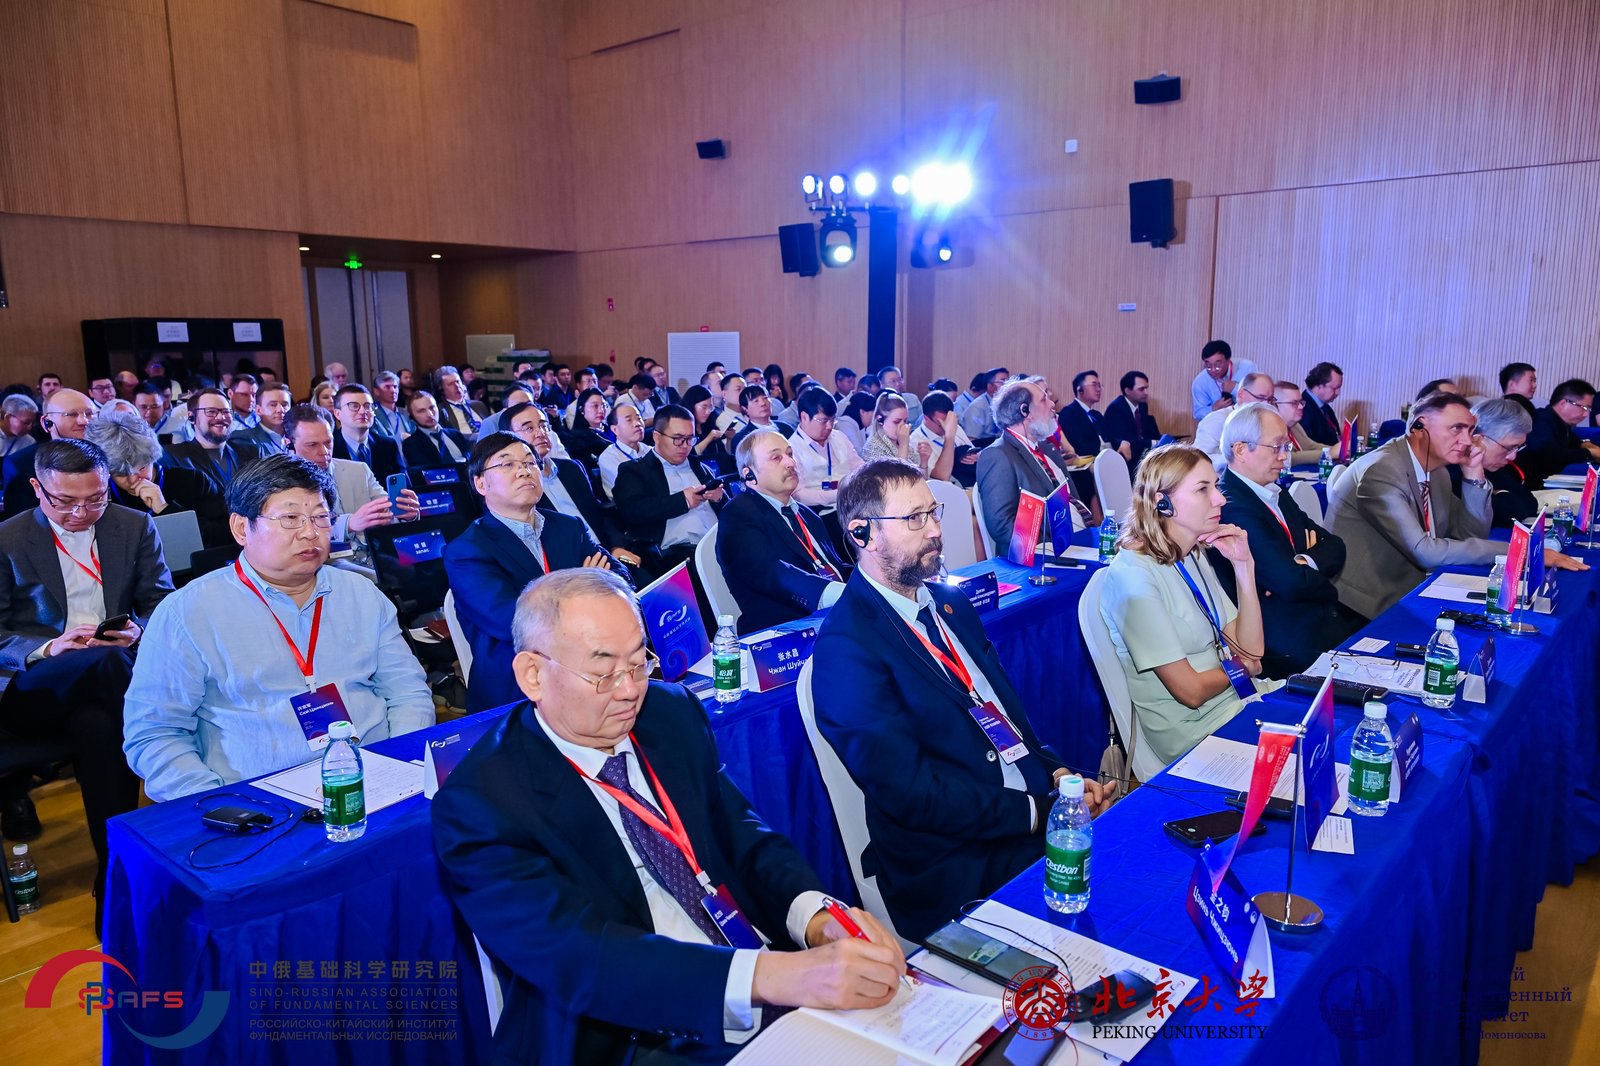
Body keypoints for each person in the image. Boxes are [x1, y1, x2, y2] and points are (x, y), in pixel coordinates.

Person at [433, 568, 905, 1062]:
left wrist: (817, 918)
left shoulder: (669, 713)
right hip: (631, 1036)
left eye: (639, 662)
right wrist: (774, 977)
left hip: (757, 977)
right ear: (533, 674)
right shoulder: (482, 802)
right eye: (603, 673)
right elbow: (579, 957)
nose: (629, 690)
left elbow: (743, 837)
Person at [810, 460, 1108, 939]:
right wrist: (1036, 812)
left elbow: (1004, 716)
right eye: (914, 518)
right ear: (863, 534)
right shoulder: (846, 648)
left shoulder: (950, 605)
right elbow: (911, 796)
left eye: (933, 513)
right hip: (954, 861)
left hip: (1021, 817)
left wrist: (1057, 777)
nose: (935, 530)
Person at [123, 454, 435, 800]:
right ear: (241, 528)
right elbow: (155, 733)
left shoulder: (361, 593)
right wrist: (220, 806)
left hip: (375, 783)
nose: (310, 532)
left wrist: (399, 767)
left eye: (321, 518)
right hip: (258, 804)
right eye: (290, 518)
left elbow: (407, 693)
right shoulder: (187, 613)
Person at [0, 439, 172, 879]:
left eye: (95, 498)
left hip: (106, 684)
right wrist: (48, 648)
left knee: (98, 724)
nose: (81, 512)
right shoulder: (8, 538)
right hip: (34, 683)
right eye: (65, 502)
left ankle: (114, 876)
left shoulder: (132, 525)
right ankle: (166, 757)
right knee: (110, 666)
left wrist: (139, 630)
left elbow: (161, 603)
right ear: (37, 488)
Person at [1325, 392, 1585, 619]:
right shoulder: (1381, 470)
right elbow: (1425, 551)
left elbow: (1470, 535)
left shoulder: (1436, 470)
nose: (1467, 440)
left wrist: (1474, 477)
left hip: (1411, 587)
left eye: (1470, 430)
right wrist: (1519, 551)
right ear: (1420, 426)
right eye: (1456, 429)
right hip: (1361, 607)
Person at [1099, 444, 1263, 768]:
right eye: (1203, 489)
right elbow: (1191, 691)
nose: (1219, 499)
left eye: (1216, 486)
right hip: (1196, 732)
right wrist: (1243, 668)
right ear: (1163, 503)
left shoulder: (1192, 553)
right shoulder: (1133, 577)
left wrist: (1244, 567)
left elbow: (1252, 650)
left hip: (1239, 700)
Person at [444, 434, 621, 713]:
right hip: (520, 689)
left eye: (530, 463)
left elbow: (620, 576)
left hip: (593, 668)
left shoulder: (569, 527)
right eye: (507, 464)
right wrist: (584, 586)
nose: (524, 470)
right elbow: (512, 621)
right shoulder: (467, 550)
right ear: (481, 484)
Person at [1212, 404, 1364, 678]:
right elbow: (1290, 582)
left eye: (1286, 447)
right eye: (1276, 447)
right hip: (1284, 641)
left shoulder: (1274, 492)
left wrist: (1303, 560)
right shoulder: (1232, 505)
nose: (1284, 456)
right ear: (1241, 450)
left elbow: (1334, 545)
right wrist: (1304, 565)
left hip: (1317, 619)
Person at [715, 430, 850, 634]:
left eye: (789, 454)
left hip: (835, 617)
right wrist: (838, 593)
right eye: (776, 458)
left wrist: (877, 580)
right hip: (784, 631)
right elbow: (772, 572)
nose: (790, 463)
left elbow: (834, 567)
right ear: (749, 475)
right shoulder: (738, 514)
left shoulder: (807, 514)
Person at [507, 403, 635, 568]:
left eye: (544, 426)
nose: (540, 433)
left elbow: (597, 511)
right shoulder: (516, 486)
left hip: (606, 554)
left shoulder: (570, 468)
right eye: (529, 428)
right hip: (569, 569)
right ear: (510, 439)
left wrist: (616, 546)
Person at [89, 410, 231, 548]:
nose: (133, 481)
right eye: (121, 474)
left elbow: (226, 534)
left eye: (141, 468)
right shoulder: (100, 493)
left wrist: (166, 509)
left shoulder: (193, 481)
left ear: (152, 458)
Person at [612, 406, 726, 576]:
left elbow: (729, 509)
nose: (685, 446)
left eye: (690, 439)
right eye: (678, 439)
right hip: (678, 555)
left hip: (721, 544)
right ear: (657, 437)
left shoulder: (699, 466)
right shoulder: (635, 470)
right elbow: (632, 511)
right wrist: (682, 501)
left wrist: (719, 499)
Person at [284, 405, 418, 548]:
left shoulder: (359, 471)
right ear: (289, 444)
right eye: (312, 445)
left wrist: (406, 515)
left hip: (369, 554)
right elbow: (293, 533)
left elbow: (389, 516)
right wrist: (349, 524)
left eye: (328, 442)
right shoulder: (283, 484)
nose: (324, 452)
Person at [975, 378, 1078, 550]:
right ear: (1025, 411)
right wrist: (1050, 547)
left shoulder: (1047, 449)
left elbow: (1073, 498)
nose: (1052, 404)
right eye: (1044, 399)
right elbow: (1001, 525)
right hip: (1041, 552)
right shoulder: (997, 455)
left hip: (1074, 538)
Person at [4, 388, 97, 518]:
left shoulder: (109, 455)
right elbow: (20, 520)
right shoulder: (20, 464)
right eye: (71, 414)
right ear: (46, 422)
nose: (84, 421)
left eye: (89, 413)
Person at [162, 388, 261, 491]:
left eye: (226, 412)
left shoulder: (251, 453)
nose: (221, 417)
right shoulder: (175, 457)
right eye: (211, 411)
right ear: (192, 417)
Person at [1467, 397, 1539, 528]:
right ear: (1477, 439)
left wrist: (1499, 497)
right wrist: (1503, 496)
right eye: (1509, 448)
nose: (1512, 457)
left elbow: (1530, 502)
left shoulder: (1493, 468)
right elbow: (1500, 516)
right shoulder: (1453, 470)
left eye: (1518, 447)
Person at [788, 388, 863, 512]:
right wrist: (839, 494)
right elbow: (798, 495)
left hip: (851, 506)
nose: (829, 426)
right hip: (818, 513)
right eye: (824, 421)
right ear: (804, 417)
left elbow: (859, 468)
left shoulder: (839, 437)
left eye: (832, 420)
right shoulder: (792, 448)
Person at [1522, 378, 1600, 489]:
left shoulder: (1560, 423)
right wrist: (1589, 452)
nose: (1586, 414)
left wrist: (1587, 446)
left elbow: (1576, 443)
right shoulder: (1541, 420)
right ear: (1563, 403)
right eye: (1584, 408)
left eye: (1588, 409)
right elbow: (1549, 454)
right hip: (1534, 485)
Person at [331, 384, 407, 482]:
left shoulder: (388, 445)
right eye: (354, 406)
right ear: (337, 413)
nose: (363, 411)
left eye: (367, 406)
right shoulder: (329, 448)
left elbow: (403, 485)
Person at [1193, 373, 1275, 463]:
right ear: (1241, 395)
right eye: (1260, 398)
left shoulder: (1265, 423)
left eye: (1270, 400)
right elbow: (1198, 459)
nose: (1267, 405)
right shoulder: (1217, 420)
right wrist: (1237, 457)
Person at [1100, 371, 1162, 472]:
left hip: (1141, 455)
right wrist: (1155, 443)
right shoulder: (1115, 409)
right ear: (1128, 391)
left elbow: (1143, 434)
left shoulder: (1142, 405)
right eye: (1141, 389)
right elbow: (1124, 439)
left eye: (1146, 388)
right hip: (1124, 461)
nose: (1146, 393)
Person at [912, 391, 977, 486]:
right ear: (926, 418)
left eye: (948, 421)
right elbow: (941, 477)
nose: (945, 427)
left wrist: (976, 456)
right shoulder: (916, 441)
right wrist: (949, 437)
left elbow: (972, 451)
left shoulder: (954, 427)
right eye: (940, 424)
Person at [1190, 340, 1259, 422]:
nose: (1213, 370)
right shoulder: (1200, 382)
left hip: (1247, 420)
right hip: (1218, 423)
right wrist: (1213, 408)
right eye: (1208, 366)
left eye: (1217, 366)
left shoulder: (1247, 368)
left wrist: (1235, 389)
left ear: (1228, 360)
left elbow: (1258, 398)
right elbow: (1198, 414)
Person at [401, 390, 471, 467]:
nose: (430, 414)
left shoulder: (455, 434)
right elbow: (429, 471)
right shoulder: (411, 444)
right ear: (411, 416)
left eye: (432, 408)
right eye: (421, 411)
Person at [597, 402, 649, 500]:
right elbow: (634, 487)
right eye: (629, 420)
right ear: (615, 429)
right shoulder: (609, 457)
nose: (638, 424)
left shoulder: (649, 450)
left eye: (639, 418)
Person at [1271, 381, 1329, 465]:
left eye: (1301, 402)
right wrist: (1329, 453)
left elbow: (1310, 446)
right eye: (1294, 403)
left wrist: (1340, 450)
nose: (1301, 407)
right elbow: (1289, 456)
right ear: (1275, 405)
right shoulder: (1271, 429)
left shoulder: (1295, 425)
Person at [1057, 370, 1107, 458]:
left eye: (1099, 385)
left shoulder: (1097, 415)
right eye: (1094, 385)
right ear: (1080, 389)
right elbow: (1077, 445)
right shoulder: (1069, 413)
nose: (1098, 389)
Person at [231, 381, 291, 455]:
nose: (280, 410)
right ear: (258, 410)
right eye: (273, 405)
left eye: (284, 405)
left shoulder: (297, 437)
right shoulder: (243, 439)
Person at [563, 388, 614, 473]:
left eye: (603, 405)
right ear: (581, 409)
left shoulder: (610, 429)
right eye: (595, 406)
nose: (601, 410)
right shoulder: (577, 440)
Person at [958, 367, 1010, 441]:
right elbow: (972, 440)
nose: (1007, 385)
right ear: (990, 386)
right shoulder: (978, 406)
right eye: (1002, 381)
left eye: (1009, 382)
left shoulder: (1004, 405)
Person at [1299, 362, 1344, 446]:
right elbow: (1309, 445)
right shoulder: (1303, 408)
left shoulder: (1325, 407)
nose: (1338, 393)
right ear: (1319, 385)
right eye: (1334, 388)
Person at [433, 365, 485, 434]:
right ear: (442, 389)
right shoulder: (440, 412)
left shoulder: (479, 405)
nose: (457, 386)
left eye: (457, 381)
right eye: (450, 384)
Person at [371, 370, 414, 439]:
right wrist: (400, 438)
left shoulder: (405, 412)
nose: (393, 390)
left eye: (395, 387)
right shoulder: (372, 414)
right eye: (387, 387)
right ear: (377, 391)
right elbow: (375, 438)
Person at [1, 394, 38, 462]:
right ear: (8, 417)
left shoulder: (29, 442)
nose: (30, 428)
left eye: (32, 423)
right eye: (26, 422)